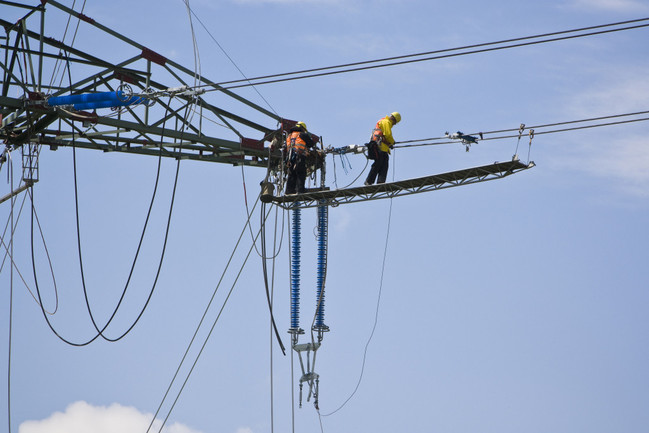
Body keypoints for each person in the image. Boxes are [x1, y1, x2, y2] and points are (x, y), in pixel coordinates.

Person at [365, 112, 401, 185]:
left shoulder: (385, 122)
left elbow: (385, 136)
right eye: (395, 122)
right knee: (378, 163)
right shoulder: (386, 122)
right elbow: (387, 135)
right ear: (394, 120)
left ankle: (381, 181)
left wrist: (389, 144)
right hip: (379, 146)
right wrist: (392, 142)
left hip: (383, 147)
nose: (394, 124)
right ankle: (369, 181)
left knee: (384, 164)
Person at [285, 121, 316, 194]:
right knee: (301, 172)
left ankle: (289, 190)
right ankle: (300, 190)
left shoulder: (289, 136)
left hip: (290, 157)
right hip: (299, 156)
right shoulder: (302, 134)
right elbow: (311, 144)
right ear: (302, 128)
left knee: (291, 173)